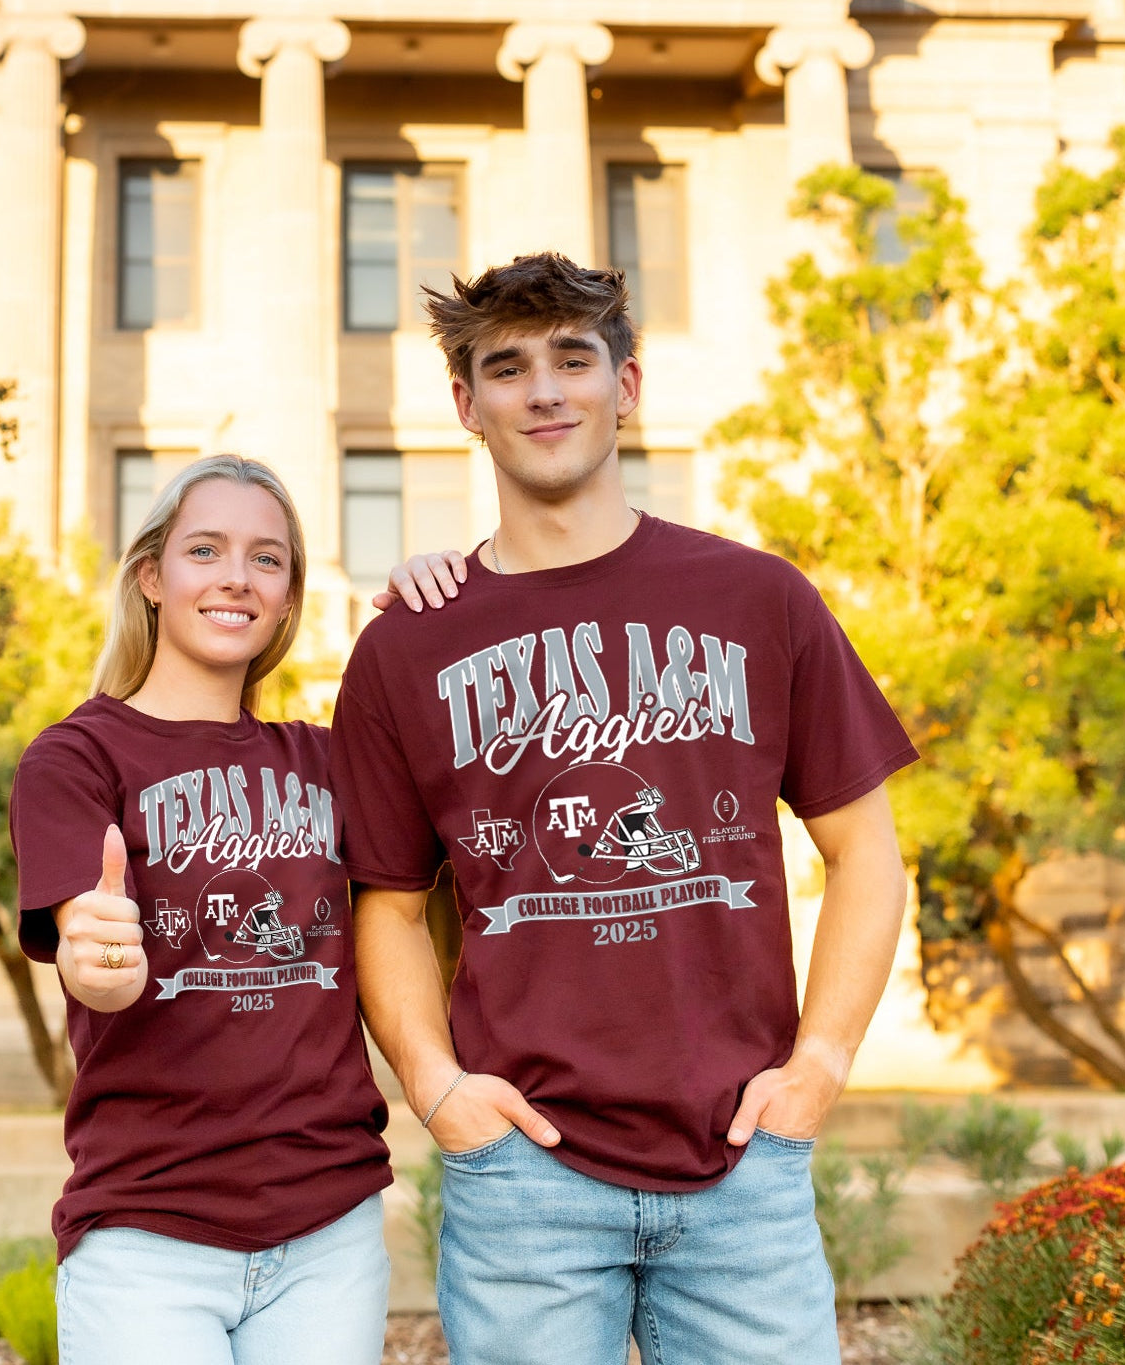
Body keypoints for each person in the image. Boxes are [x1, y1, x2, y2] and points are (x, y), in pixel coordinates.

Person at [328, 253, 919, 1365]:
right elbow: (390, 909)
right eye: (506, 368)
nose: (544, 390)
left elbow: (868, 856)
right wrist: (436, 1088)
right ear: (467, 406)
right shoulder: (409, 644)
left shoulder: (760, 600)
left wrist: (823, 1065)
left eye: (572, 359)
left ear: (628, 386)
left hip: (744, 1163)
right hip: (526, 1182)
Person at [8, 454, 464, 1365]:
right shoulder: (75, 758)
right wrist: (98, 959)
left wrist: (438, 607)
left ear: (290, 596)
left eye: (266, 558)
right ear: (151, 576)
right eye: (204, 548)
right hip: (146, 1235)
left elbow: (463, 780)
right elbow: (85, 954)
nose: (234, 578)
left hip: (326, 1232)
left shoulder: (326, 761)